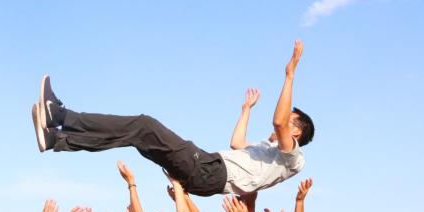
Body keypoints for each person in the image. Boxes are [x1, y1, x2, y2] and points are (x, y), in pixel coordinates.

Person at [32, 41, 313, 198]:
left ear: (297, 133)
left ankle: (60, 115)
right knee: (136, 136)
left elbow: (278, 122)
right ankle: (56, 139)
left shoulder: (293, 158)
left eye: (291, 119)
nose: (282, 120)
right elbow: (237, 143)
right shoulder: (267, 150)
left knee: (144, 125)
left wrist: (289, 75)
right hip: (209, 171)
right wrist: (246, 109)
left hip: (210, 171)